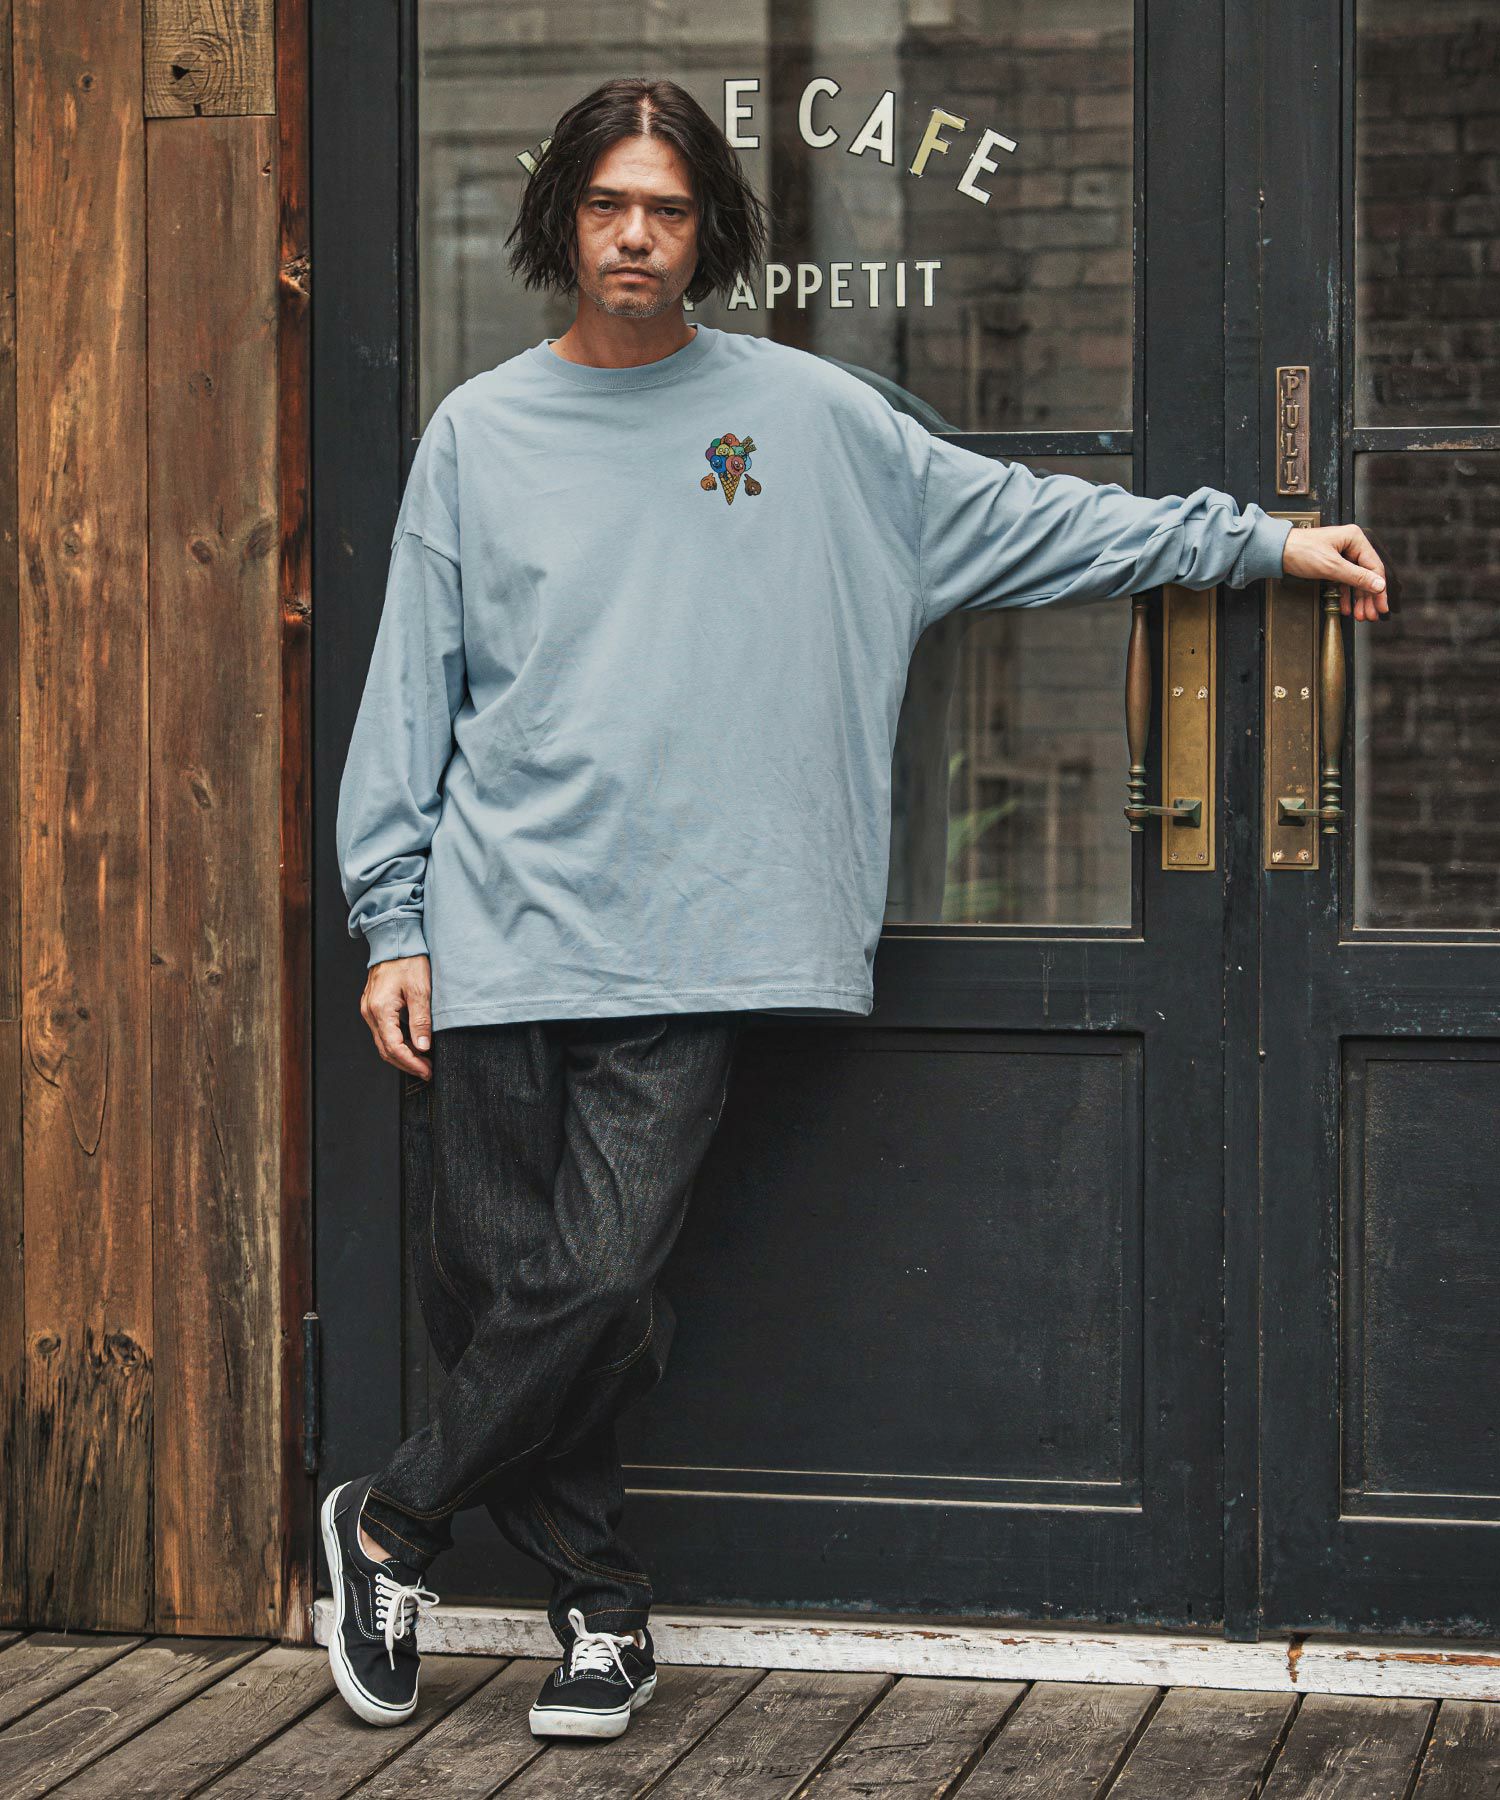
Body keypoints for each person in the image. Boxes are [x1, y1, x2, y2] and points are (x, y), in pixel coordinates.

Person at [324, 75, 1391, 1740]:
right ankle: (602, 1616)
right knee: (507, 1294)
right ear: (560, 221)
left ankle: (388, 1518)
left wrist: (1256, 544)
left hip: (698, 934)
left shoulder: (811, 420)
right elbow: (413, 688)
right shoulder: (479, 433)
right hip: (497, 927)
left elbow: (1031, 519)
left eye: (667, 209)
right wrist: (394, 919)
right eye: (607, 204)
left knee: (595, 1288)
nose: (634, 236)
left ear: (709, 231)